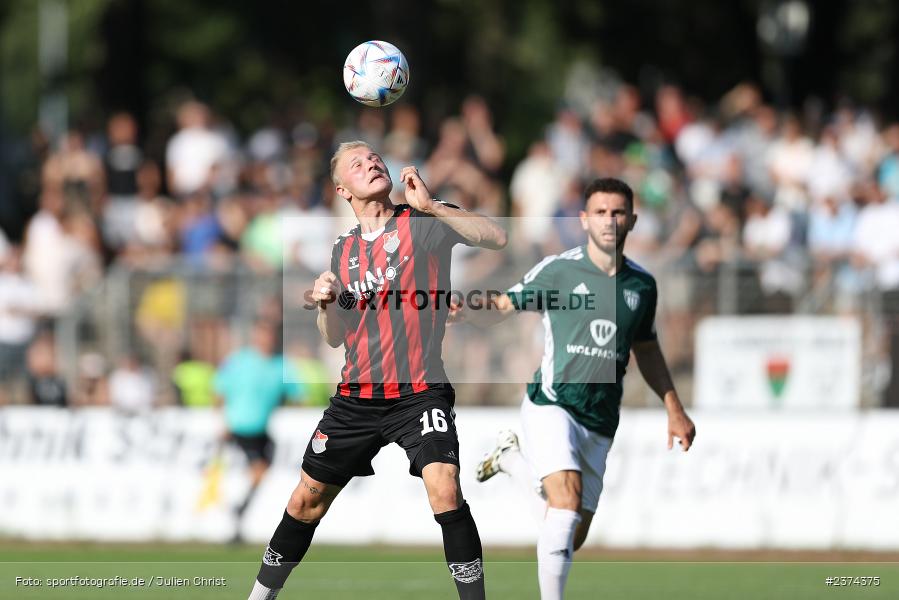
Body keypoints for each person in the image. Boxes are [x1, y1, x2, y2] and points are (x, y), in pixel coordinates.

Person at [246, 141, 507, 600]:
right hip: (356, 398)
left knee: (444, 487)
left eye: (374, 158)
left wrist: (431, 204)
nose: (372, 163)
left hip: (419, 392)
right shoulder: (343, 250)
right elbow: (333, 334)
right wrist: (325, 303)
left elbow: (495, 237)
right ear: (342, 189)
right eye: (357, 163)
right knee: (305, 502)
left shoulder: (422, 221)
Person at [455, 178, 695, 600]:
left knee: (567, 531)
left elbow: (648, 349)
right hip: (552, 403)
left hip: (600, 419)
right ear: (584, 220)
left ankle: (510, 460)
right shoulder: (560, 270)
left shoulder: (643, 286)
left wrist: (674, 407)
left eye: (618, 212)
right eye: (600, 212)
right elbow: (503, 304)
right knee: (565, 504)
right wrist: (466, 309)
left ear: (633, 220)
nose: (609, 220)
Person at [216, 319, 301, 534]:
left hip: (262, 430)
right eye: (262, 335)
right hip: (241, 427)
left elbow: (298, 394)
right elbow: (219, 390)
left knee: (263, 469)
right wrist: (223, 420)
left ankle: (241, 507)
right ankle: (238, 507)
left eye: (270, 336)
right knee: (258, 469)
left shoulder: (280, 364)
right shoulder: (239, 361)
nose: (266, 341)